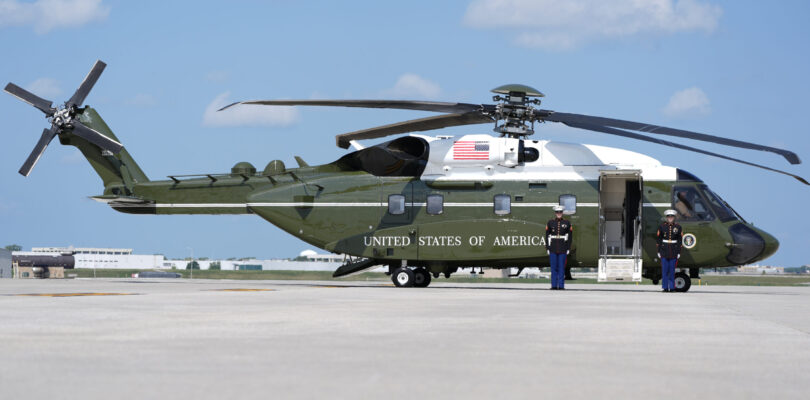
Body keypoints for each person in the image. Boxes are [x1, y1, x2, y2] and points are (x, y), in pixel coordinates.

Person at [545, 205, 573, 290]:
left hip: (562, 247)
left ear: (562, 213)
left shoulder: (567, 223)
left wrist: (568, 248)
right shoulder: (550, 222)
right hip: (553, 247)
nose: (559, 214)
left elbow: (570, 237)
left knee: (561, 268)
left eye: (560, 212)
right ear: (555, 213)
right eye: (557, 212)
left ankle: (561, 286)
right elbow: (547, 236)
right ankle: (553, 285)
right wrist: (548, 247)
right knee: (554, 268)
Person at [656, 209, 683, 292]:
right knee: (664, 271)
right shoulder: (662, 226)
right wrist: (658, 251)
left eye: (672, 217)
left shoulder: (678, 227)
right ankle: (665, 287)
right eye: (668, 217)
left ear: (674, 217)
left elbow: (679, 240)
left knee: (672, 271)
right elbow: (659, 240)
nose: (670, 218)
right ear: (667, 218)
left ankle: (671, 287)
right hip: (664, 250)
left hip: (674, 251)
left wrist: (678, 252)